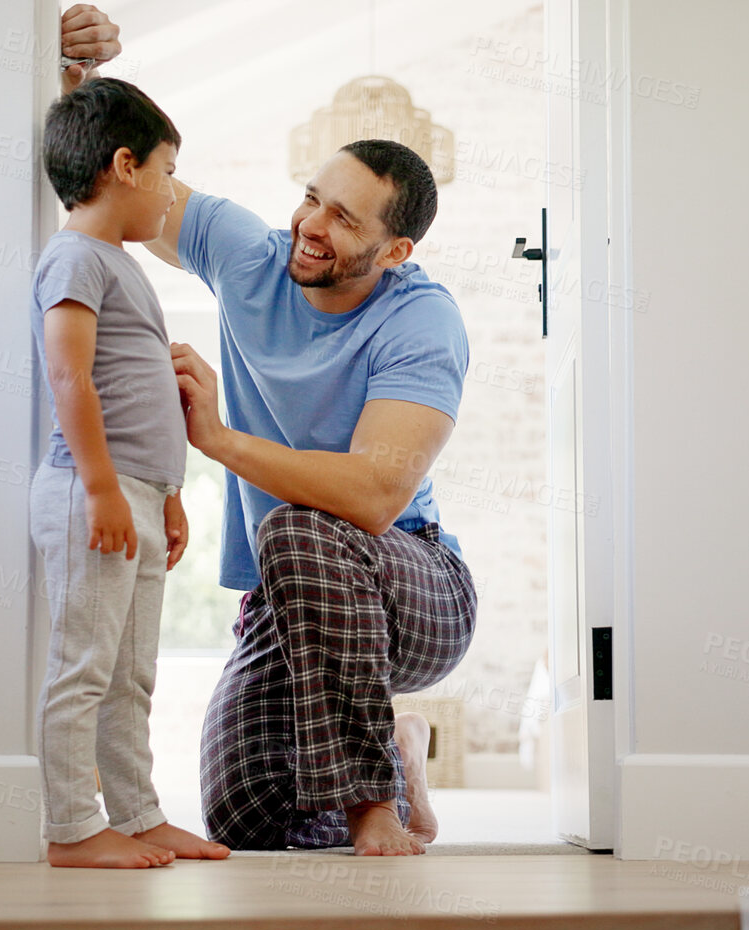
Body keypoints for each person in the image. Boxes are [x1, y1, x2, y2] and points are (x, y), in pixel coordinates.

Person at [57, 9, 476, 857]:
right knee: (249, 816)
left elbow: (372, 496)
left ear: (393, 252)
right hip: (288, 601)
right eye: (312, 198)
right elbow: (125, 178)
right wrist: (72, 79)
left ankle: (373, 808)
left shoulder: (422, 322)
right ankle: (395, 755)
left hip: (414, 584)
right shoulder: (249, 256)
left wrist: (217, 441)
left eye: (344, 220)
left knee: (301, 524)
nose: (311, 226)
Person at [29, 75, 229, 868]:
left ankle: (138, 812)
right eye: (168, 172)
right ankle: (72, 828)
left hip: (138, 495)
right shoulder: (75, 257)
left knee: (130, 674)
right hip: (92, 492)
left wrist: (168, 494)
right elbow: (69, 377)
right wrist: (104, 486)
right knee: (84, 668)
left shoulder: (117, 262)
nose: (171, 192)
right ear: (124, 165)